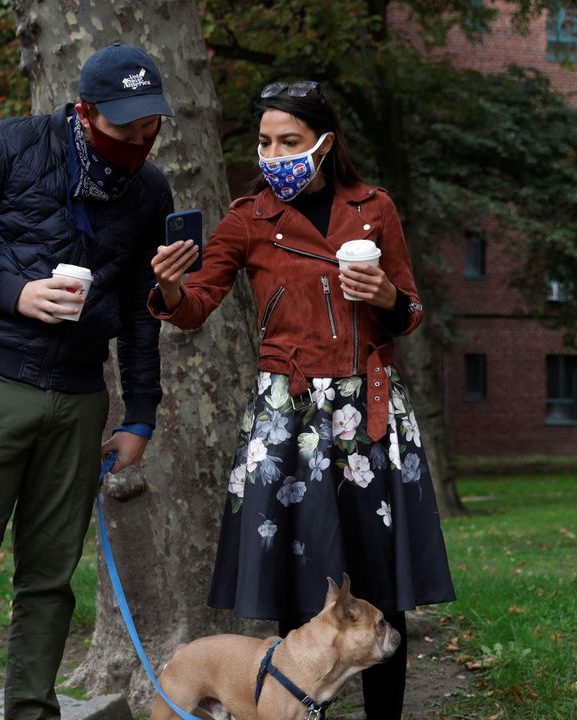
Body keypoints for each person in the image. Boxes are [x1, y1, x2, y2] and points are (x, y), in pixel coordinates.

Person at [147, 80, 455, 719]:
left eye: (289, 140)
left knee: (378, 579)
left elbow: (412, 309)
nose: (274, 153)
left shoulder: (375, 208)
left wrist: (384, 297)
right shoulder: (248, 219)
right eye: (264, 141)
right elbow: (196, 304)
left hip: (366, 412)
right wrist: (172, 290)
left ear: (324, 144)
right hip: (286, 417)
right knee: (294, 576)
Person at [0, 43, 171, 720]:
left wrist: (139, 413)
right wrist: (15, 292)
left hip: (80, 396)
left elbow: (142, 310)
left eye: (150, 129)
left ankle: (32, 711)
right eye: (123, 129)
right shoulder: (9, 145)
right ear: (84, 113)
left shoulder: (150, 190)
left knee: (50, 581)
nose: (138, 142)